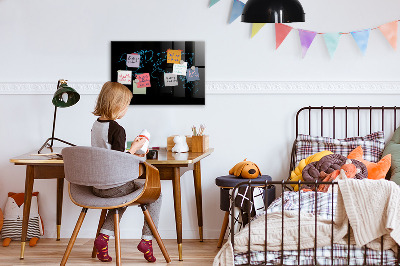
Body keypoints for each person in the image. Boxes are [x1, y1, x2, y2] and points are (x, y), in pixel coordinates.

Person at [91, 81, 161, 263]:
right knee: (156, 194)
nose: (127, 109)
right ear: (117, 105)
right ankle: (147, 240)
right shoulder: (117, 129)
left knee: (122, 198)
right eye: (126, 105)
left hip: (97, 186)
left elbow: (108, 154)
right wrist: (135, 149)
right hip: (114, 186)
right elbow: (118, 161)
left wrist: (130, 149)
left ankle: (103, 238)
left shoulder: (96, 125)